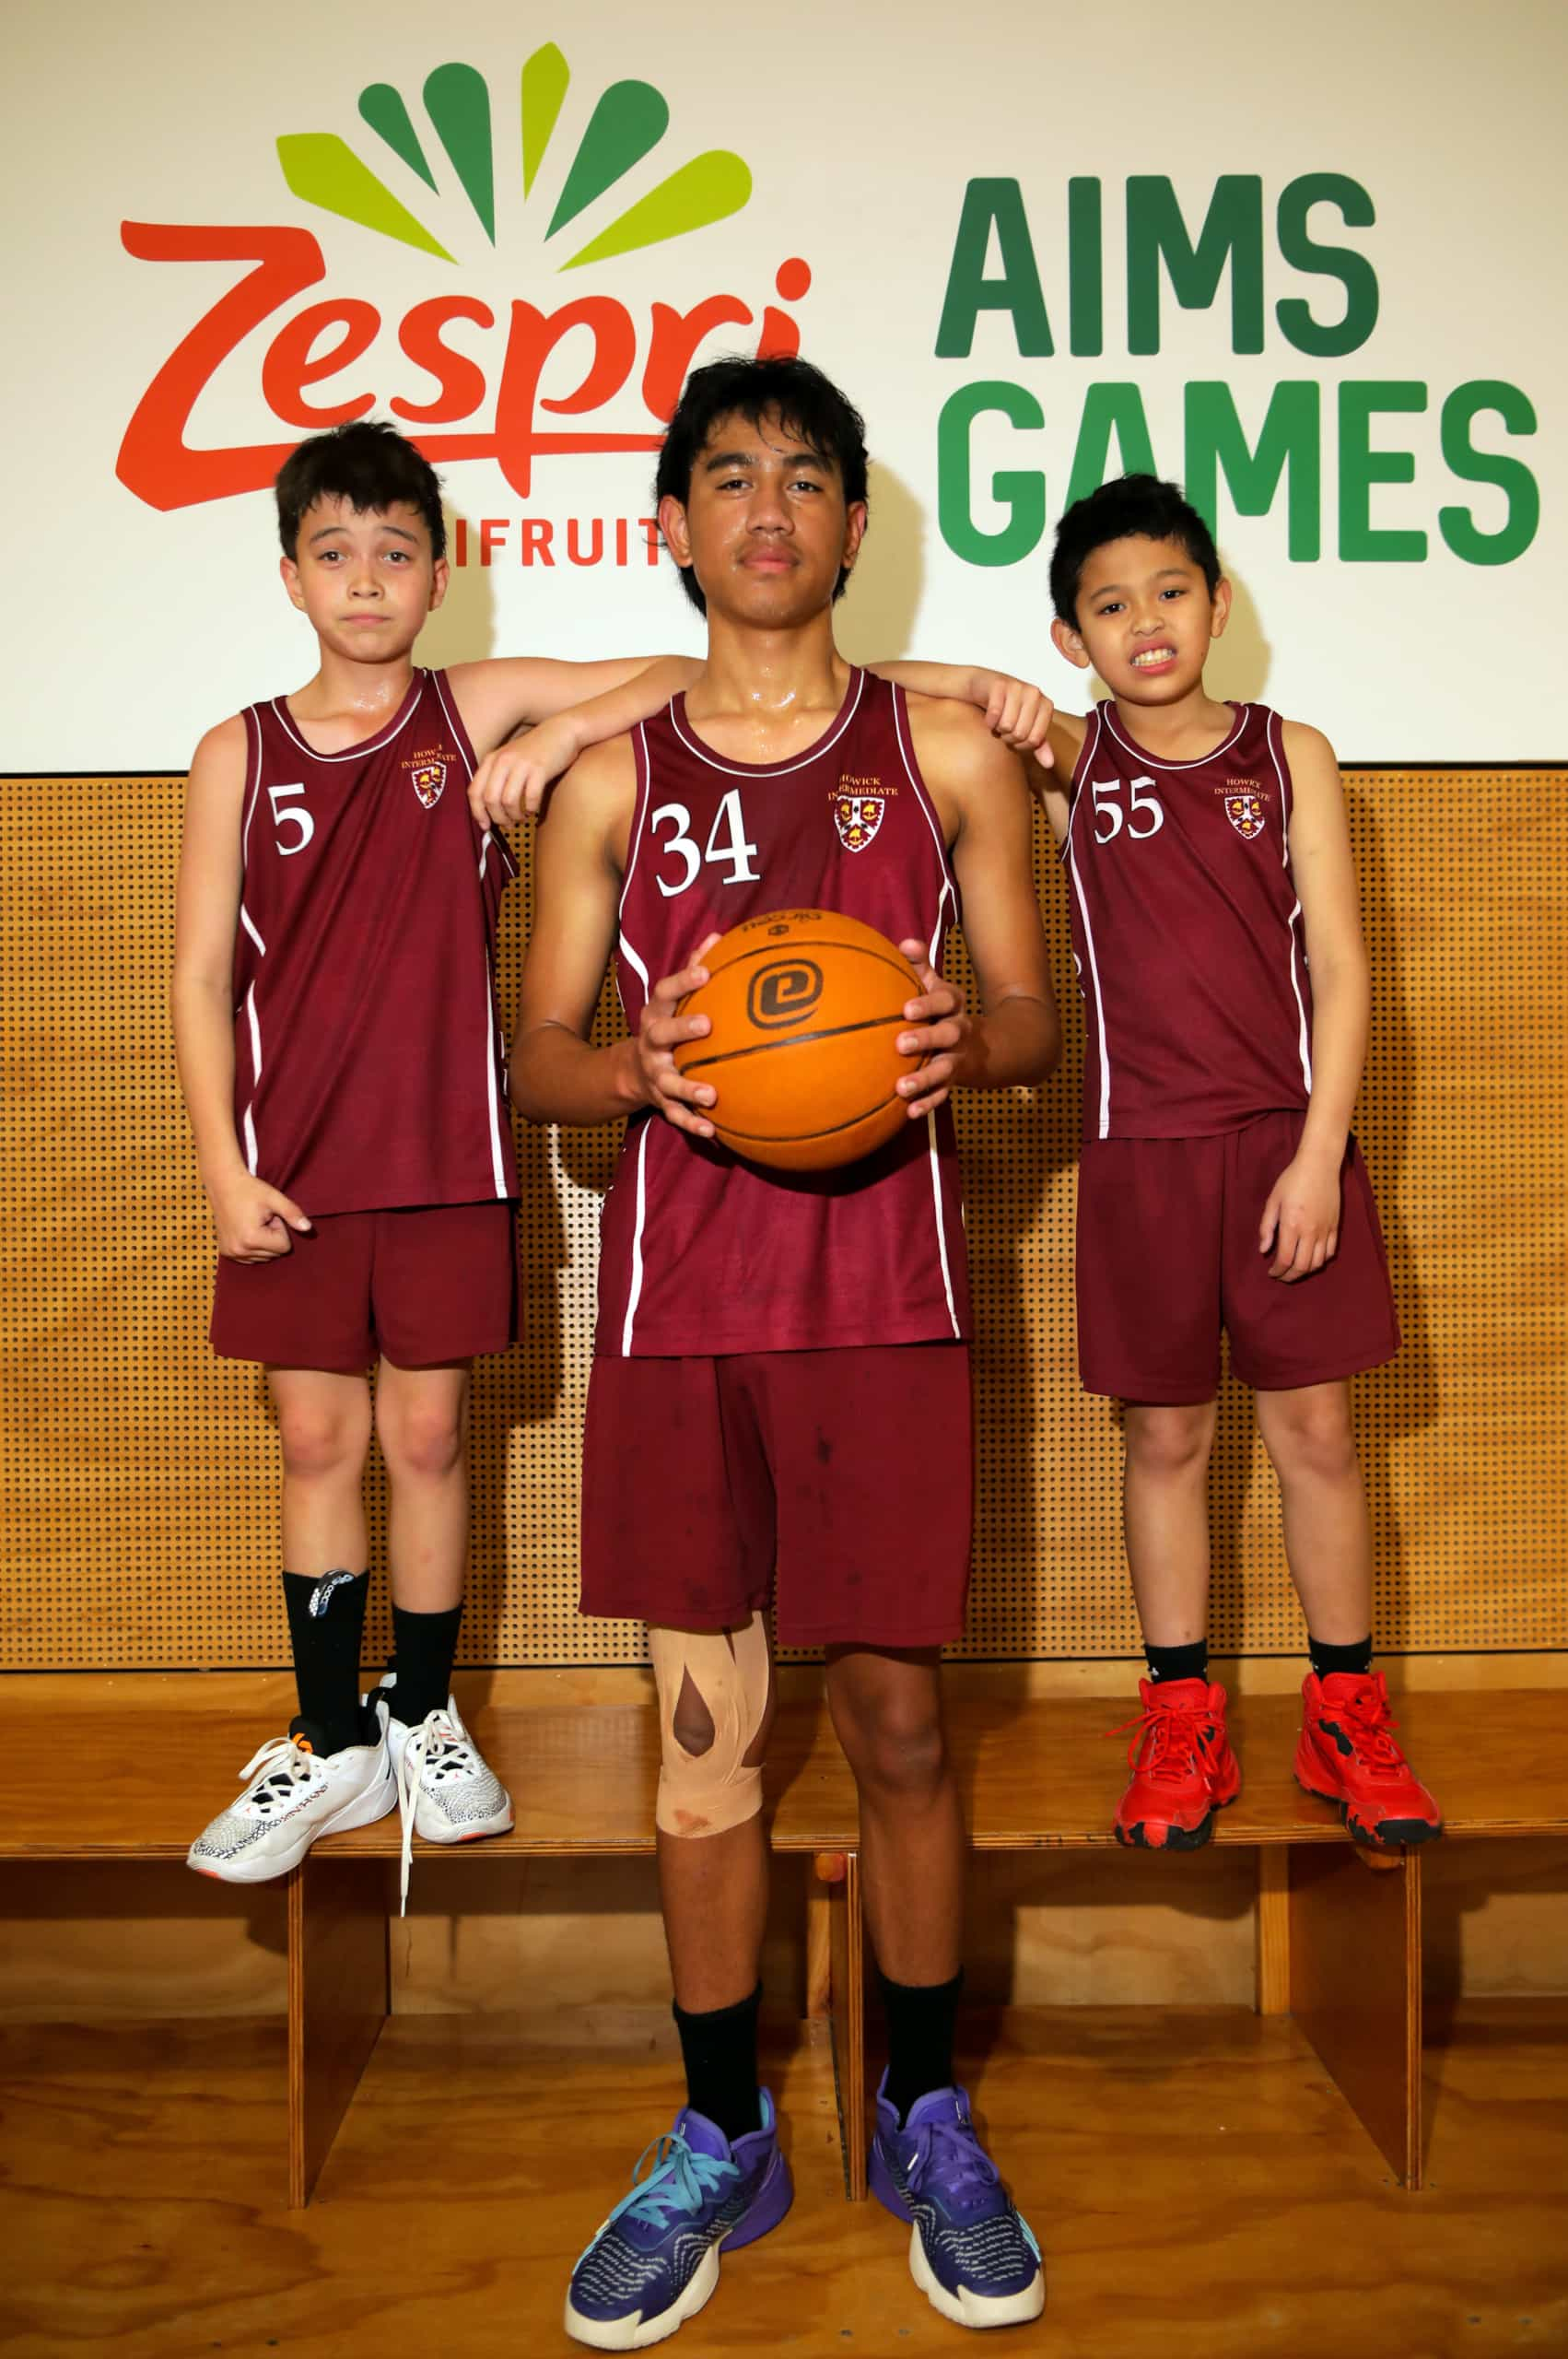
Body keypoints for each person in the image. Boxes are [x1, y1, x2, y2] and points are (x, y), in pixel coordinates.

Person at [174, 417, 1056, 1907]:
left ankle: (421, 1709)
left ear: (439, 572)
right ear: (288, 577)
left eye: (397, 553)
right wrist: (218, 1160)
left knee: (442, 1448)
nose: (368, 581)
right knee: (333, 1456)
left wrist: (957, 693)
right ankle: (337, 1731)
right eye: (335, 555)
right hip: (406, 1199)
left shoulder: (491, 712)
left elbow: (715, 679)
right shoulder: (253, 751)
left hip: (569, 1196)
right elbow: (239, 981)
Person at [509, 356, 1059, 2344]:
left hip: (888, 1310)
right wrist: (627, 1067)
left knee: (905, 1728)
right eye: (726, 477)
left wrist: (951, 1038)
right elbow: (539, 1059)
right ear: (674, 526)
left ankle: (920, 2100)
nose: (766, 507)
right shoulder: (606, 779)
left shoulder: (945, 760)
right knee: (704, 1741)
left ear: (847, 527)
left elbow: (1028, 1019)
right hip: (677, 1320)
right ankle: (721, 2125)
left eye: (804, 478)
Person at [1035, 473, 1443, 1855]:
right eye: (1105, 604)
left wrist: (1322, 1155)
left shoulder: (1291, 754)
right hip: (1136, 1159)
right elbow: (877, 677)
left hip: (1284, 1150)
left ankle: (1343, 1713)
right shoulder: (1063, 764)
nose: (1142, 621)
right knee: (1165, 1440)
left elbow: (1340, 964)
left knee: (1317, 1435)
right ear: (1066, 639)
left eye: (1167, 591)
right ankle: (1179, 1717)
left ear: (1217, 603)